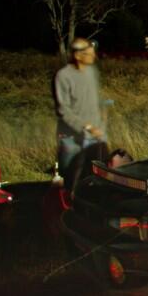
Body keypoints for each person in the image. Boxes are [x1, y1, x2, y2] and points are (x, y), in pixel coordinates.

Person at [53, 37, 105, 189]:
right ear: (77, 55)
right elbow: (63, 110)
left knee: (91, 179)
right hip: (71, 137)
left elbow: (93, 99)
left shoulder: (92, 72)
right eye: (89, 54)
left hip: (93, 137)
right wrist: (86, 127)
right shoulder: (63, 76)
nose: (93, 57)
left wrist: (100, 118)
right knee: (69, 178)